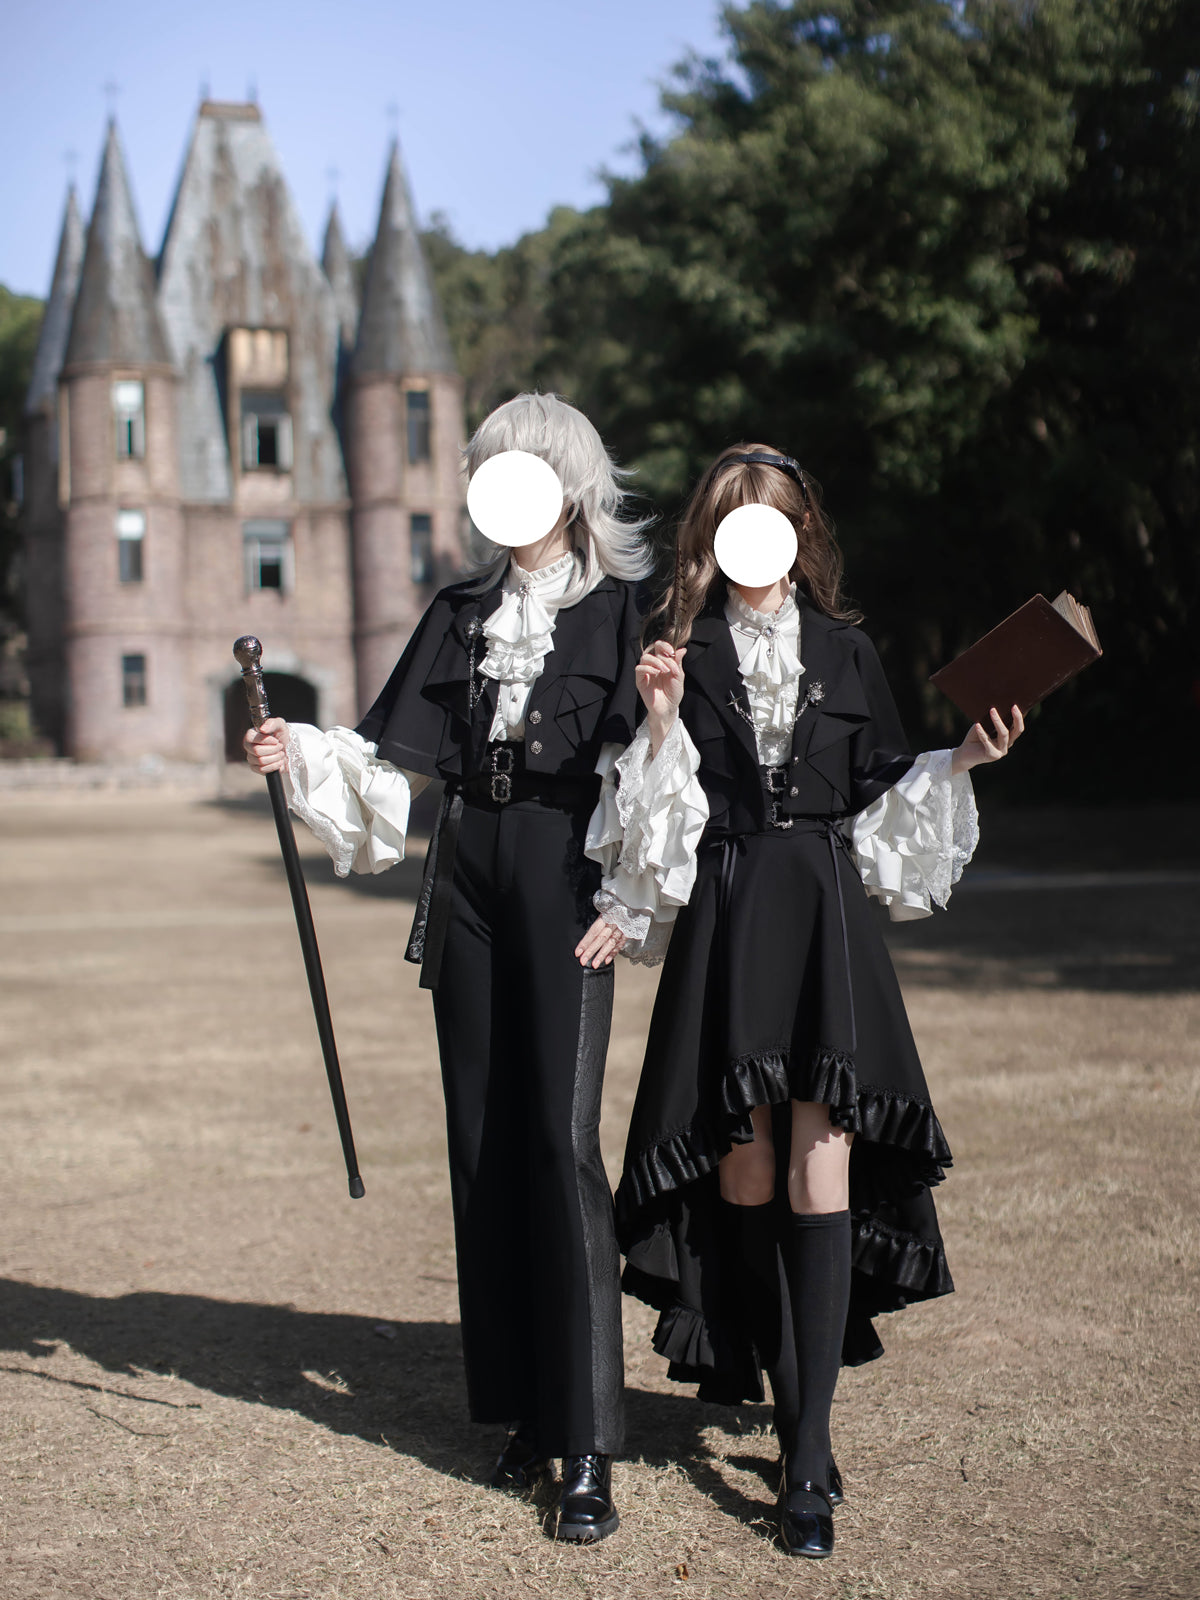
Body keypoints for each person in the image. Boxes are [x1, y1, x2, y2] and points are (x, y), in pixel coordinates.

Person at [243, 394, 696, 1543]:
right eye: (488, 473)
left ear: (569, 485)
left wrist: (629, 899)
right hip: (469, 876)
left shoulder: (625, 613)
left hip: (564, 872)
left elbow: (660, 762)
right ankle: (524, 1409)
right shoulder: (459, 612)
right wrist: (296, 749)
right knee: (483, 1142)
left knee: (558, 1140)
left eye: (519, 471)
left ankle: (586, 1439)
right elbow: (389, 759)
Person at [579, 444, 1022, 1559]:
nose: (754, 542)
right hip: (728, 915)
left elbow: (880, 798)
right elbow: (658, 810)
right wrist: (662, 719)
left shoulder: (845, 649)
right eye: (734, 521)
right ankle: (775, 1387)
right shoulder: (679, 650)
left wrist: (961, 760)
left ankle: (807, 1450)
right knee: (745, 1169)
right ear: (711, 539)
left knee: (823, 1161)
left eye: (771, 520)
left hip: (824, 918)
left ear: (800, 533)